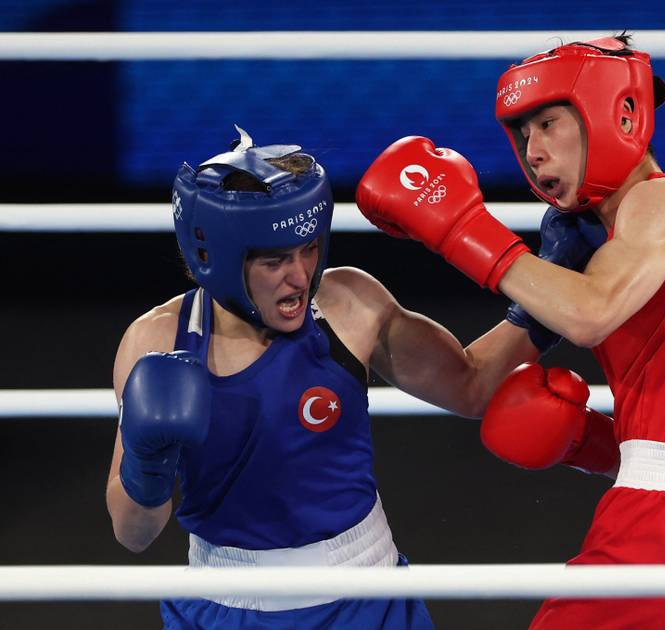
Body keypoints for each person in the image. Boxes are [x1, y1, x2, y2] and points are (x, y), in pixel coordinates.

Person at [354, 34, 665, 629]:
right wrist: (372, 323)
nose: (533, 151)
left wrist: (460, 227)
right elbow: (474, 384)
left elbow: (591, 313)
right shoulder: (604, 253)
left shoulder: (659, 200)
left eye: (550, 124)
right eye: (523, 134)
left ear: (622, 114)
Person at [104, 126, 552, 629]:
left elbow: (472, 384)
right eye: (275, 260)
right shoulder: (159, 341)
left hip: (369, 596)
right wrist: (148, 462)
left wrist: (557, 277)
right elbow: (133, 533)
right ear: (217, 259)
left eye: (309, 249)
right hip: (225, 608)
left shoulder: (347, 305)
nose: (300, 275)